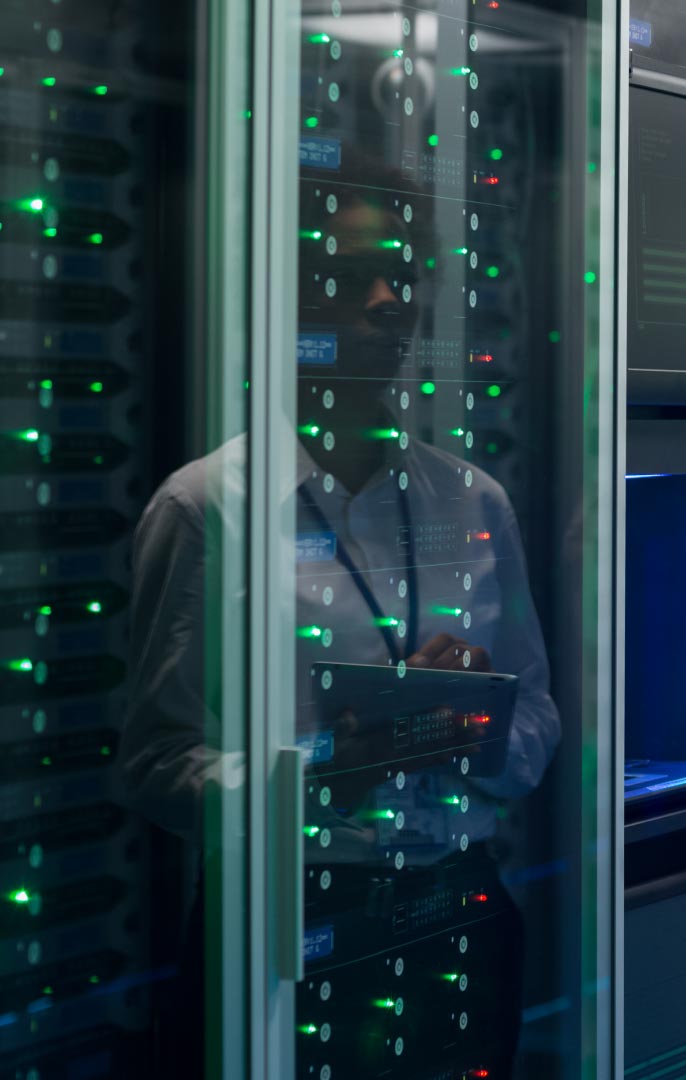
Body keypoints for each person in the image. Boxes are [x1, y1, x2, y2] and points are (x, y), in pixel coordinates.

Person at [118, 150, 559, 1078]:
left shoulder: (473, 500)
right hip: (289, 918)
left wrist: (478, 724)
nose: (389, 302)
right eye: (352, 277)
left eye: (401, 275)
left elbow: (537, 718)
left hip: (459, 910)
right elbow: (155, 766)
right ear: (286, 301)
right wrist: (327, 769)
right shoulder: (207, 508)